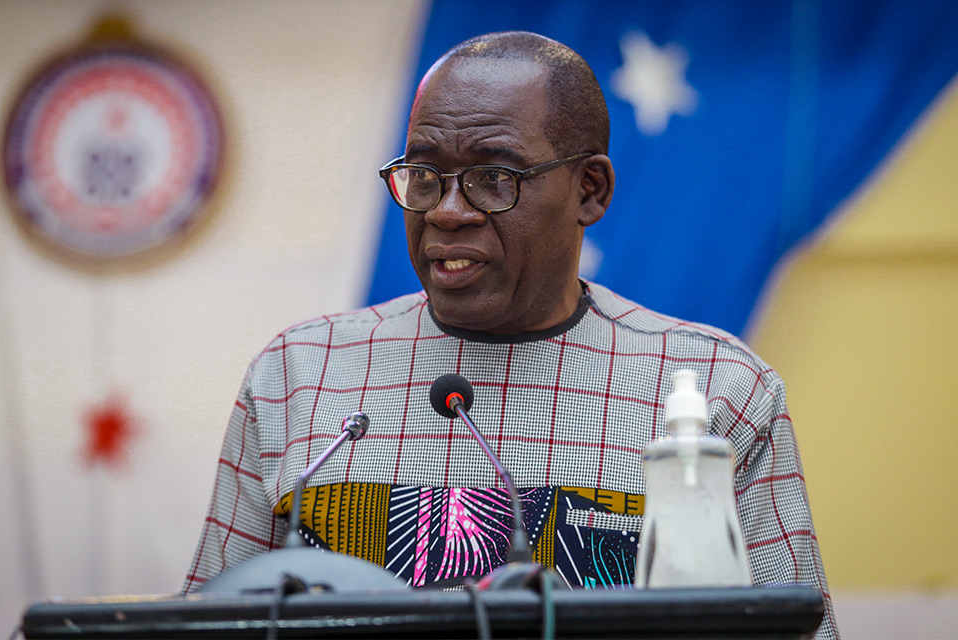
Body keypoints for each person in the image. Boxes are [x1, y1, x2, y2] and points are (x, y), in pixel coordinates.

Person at [184, 31, 837, 638]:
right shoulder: (300, 373)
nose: (446, 210)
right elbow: (211, 621)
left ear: (590, 190)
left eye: (494, 178)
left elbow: (790, 626)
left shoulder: (719, 391)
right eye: (424, 175)